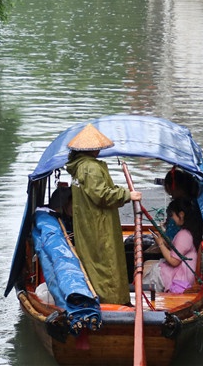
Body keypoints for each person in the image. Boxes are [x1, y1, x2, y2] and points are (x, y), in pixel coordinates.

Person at [65, 123, 142, 305]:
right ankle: (113, 302)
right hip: (99, 226)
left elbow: (99, 190)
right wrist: (127, 195)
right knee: (108, 264)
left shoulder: (80, 167)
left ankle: (103, 298)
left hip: (88, 224)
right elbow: (102, 195)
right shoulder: (90, 168)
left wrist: (118, 190)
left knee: (94, 262)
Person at [145, 198, 203, 294]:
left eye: (173, 215)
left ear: (181, 215)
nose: (172, 218)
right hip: (183, 271)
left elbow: (174, 261)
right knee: (148, 267)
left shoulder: (184, 235)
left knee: (150, 273)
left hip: (181, 278)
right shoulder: (190, 232)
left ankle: (143, 298)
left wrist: (160, 243)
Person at [160, 167, 198, 240]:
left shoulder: (175, 207)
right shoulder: (195, 202)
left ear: (168, 187)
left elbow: (170, 238)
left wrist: (162, 230)